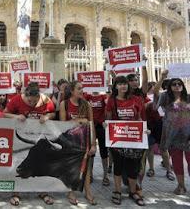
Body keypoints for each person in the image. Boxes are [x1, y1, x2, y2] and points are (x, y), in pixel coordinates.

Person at [4, 82, 55, 206]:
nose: (32, 104)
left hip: (39, 139)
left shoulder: (45, 100)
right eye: (29, 101)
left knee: (42, 165)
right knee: (18, 164)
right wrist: (16, 117)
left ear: (39, 96)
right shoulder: (16, 100)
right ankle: (16, 193)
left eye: (34, 102)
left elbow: (53, 113)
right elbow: (4, 113)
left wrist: (47, 117)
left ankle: (43, 192)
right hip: (20, 139)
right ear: (25, 96)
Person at [105, 76, 146, 206]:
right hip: (117, 139)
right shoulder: (112, 101)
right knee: (118, 165)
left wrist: (145, 130)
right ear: (115, 86)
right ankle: (117, 191)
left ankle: (133, 191)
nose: (123, 86)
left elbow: (139, 118)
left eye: (125, 84)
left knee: (133, 166)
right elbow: (108, 119)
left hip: (133, 138)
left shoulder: (136, 99)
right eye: (120, 84)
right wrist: (106, 125)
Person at [59, 81, 97, 205]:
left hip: (84, 141)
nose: (82, 90)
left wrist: (93, 144)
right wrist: (80, 120)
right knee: (72, 168)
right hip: (70, 142)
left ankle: (88, 191)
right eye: (79, 88)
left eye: (82, 88)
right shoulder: (64, 104)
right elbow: (63, 125)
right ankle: (71, 192)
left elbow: (91, 126)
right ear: (72, 91)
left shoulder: (87, 105)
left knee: (86, 169)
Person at [155, 70, 190, 195]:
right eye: (174, 84)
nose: (177, 85)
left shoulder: (188, 98)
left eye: (179, 84)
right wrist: (162, 78)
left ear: (183, 86)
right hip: (172, 136)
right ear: (170, 86)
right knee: (177, 162)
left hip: (188, 136)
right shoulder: (165, 98)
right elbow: (155, 93)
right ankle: (181, 186)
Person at [83, 91, 109, 186]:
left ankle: (105, 175)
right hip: (90, 126)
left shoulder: (103, 95)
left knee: (104, 152)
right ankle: (90, 174)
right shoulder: (87, 95)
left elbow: (108, 105)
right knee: (90, 151)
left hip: (101, 126)